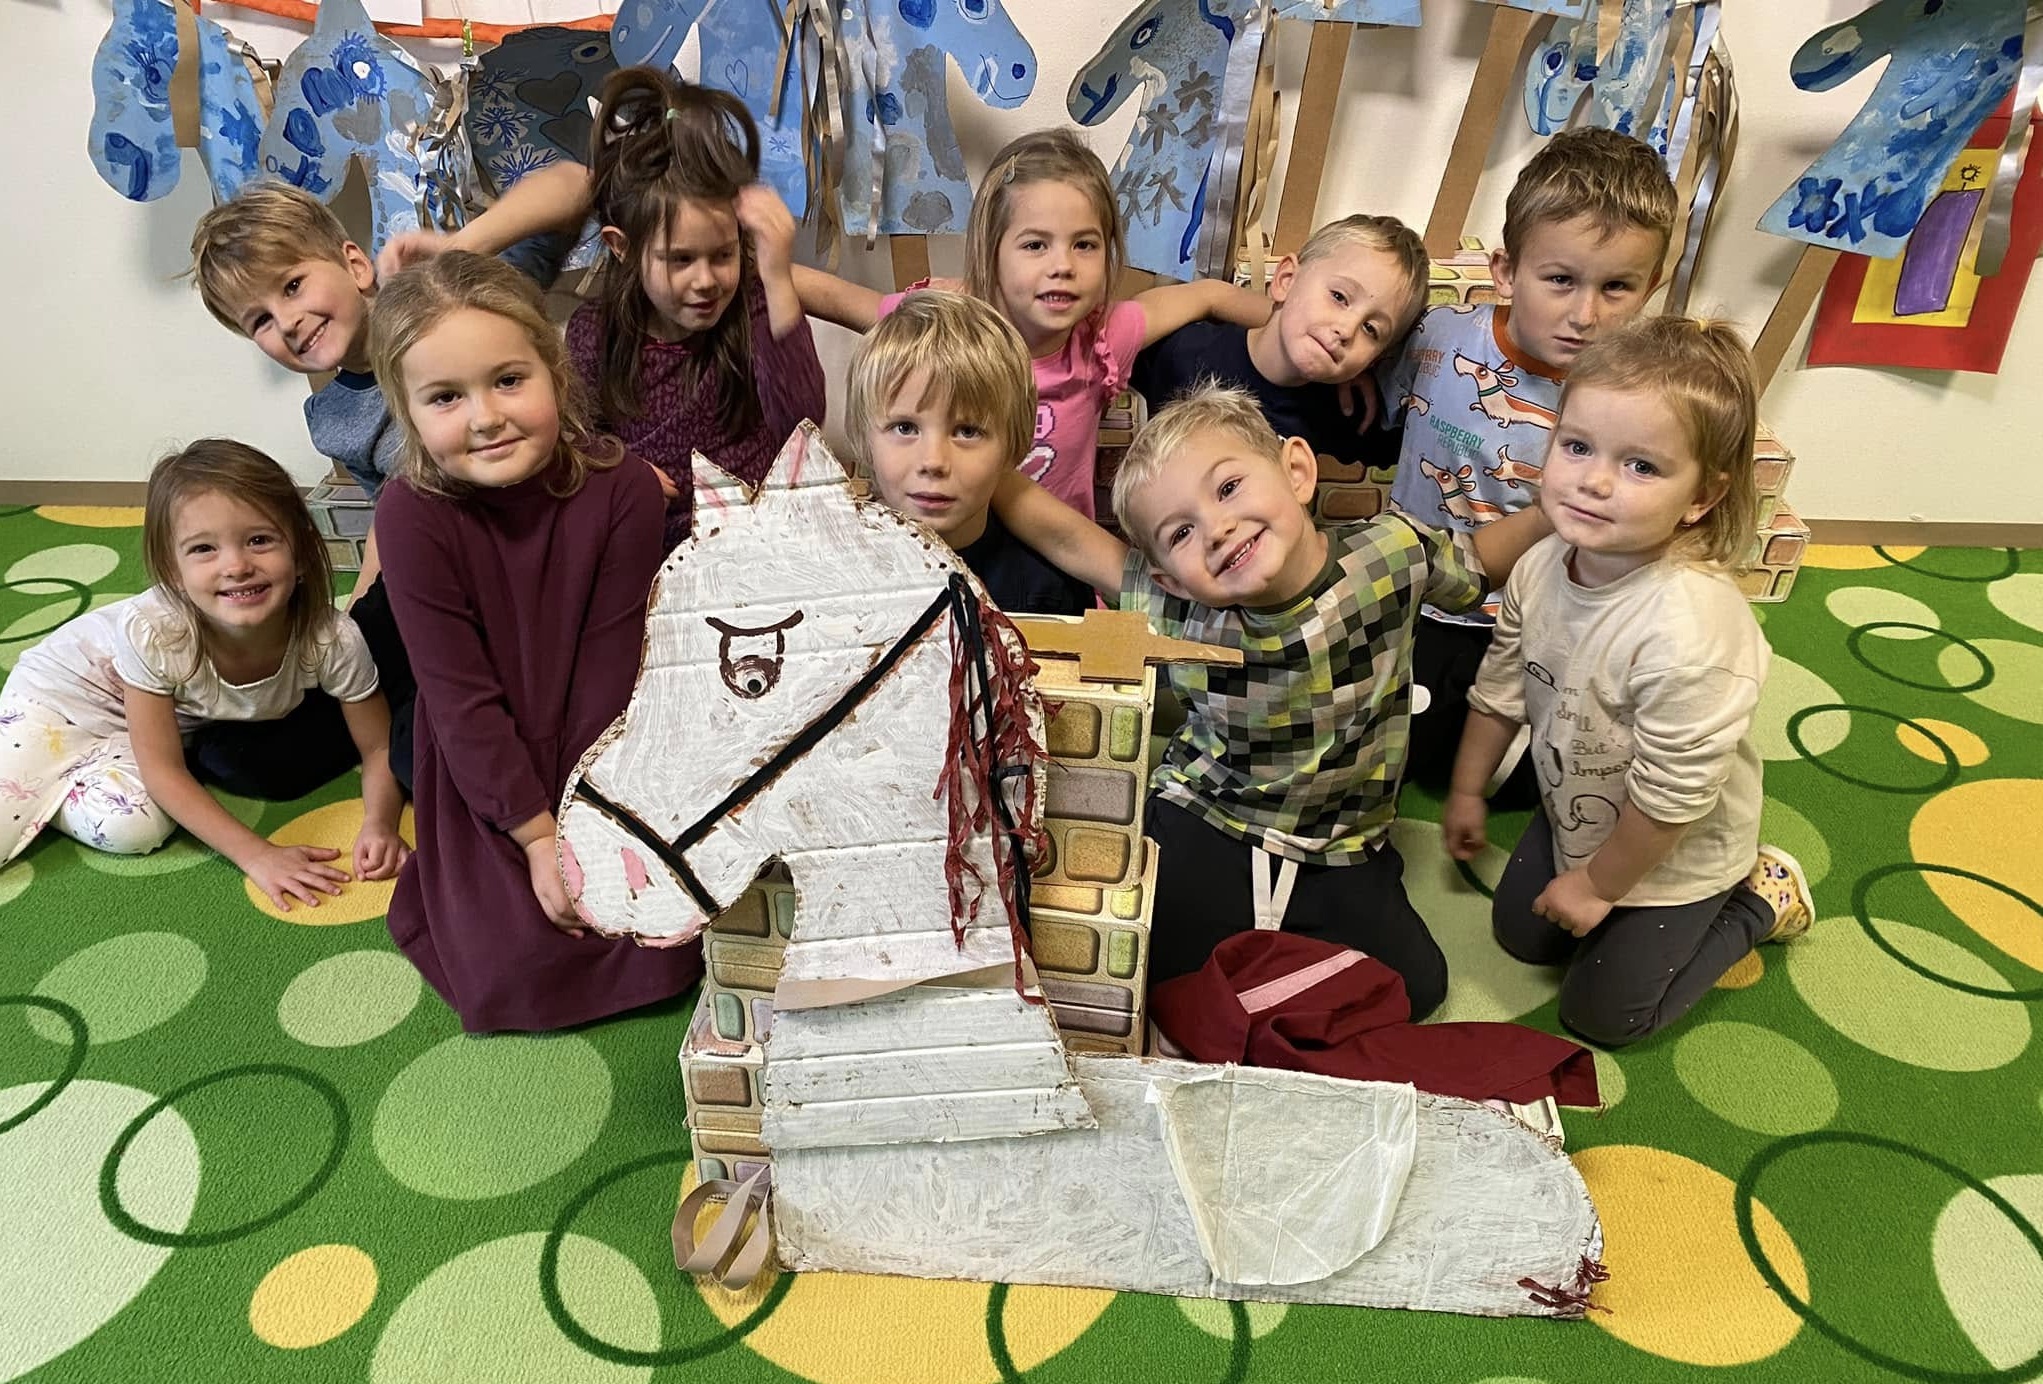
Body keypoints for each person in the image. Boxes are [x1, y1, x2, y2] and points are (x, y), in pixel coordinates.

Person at [994, 386, 1550, 1018]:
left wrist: (1549, 512)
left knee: (1416, 989)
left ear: (1297, 471)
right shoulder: (1178, 605)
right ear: (1171, 578)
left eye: (1228, 488)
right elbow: (1069, 540)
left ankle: (1272, 957)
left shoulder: (1392, 554)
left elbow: (1478, 562)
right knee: (1147, 975)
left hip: (1341, 839)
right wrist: (988, 470)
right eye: (1182, 532)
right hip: (1212, 813)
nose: (1217, 528)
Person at [1442, 317, 1814, 1048]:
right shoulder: (1540, 566)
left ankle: (1758, 900)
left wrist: (1595, 886)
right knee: (1520, 937)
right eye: (1577, 446)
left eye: (1642, 466)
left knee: (1603, 1018)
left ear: (1702, 496)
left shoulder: (1690, 632)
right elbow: (1500, 688)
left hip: (1678, 850)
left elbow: (1673, 797)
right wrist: (1465, 789)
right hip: (1579, 806)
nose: (1595, 480)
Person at [368, 250, 701, 1032]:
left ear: (554, 372)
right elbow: (459, 700)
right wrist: (537, 836)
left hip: (603, 749)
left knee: (667, 944)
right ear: (407, 410)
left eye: (508, 380)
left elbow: (613, 674)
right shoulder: (409, 515)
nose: (486, 417)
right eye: (446, 397)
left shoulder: (624, 489)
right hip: (484, 759)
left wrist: (590, 826)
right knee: (511, 966)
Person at [187, 180, 574, 792]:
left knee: (432, 755)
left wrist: (459, 247)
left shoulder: (456, 310)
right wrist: (356, 624)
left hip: (539, 559)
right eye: (259, 320)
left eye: (293, 286)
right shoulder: (335, 418)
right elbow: (388, 522)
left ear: (355, 263)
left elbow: (574, 185)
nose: (287, 322)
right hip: (436, 587)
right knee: (362, 732)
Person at [1377, 128, 1678, 793]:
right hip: (1413, 599)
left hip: (1531, 621)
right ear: (1507, 271)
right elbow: (1358, 392)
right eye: (1560, 280)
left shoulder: (1635, 400)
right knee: (1387, 735)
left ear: (1651, 286)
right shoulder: (1435, 338)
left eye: (1617, 287)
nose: (1585, 315)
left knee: (1569, 757)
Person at [0, 440, 406, 910]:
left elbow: (377, 746)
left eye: (259, 540)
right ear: (172, 572)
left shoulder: (332, 639)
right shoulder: (155, 631)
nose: (236, 566)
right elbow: (163, 769)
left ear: (300, 553)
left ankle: (53, 784)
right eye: (203, 549)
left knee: (136, 828)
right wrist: (257, 855)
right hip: (59, 700)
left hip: (134, 736)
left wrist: (380, 823)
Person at [789, 129, 1275, 518]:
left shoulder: (1105, 335)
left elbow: (1208, 295)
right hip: (944, 544)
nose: (1062, 265)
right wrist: (754, 265)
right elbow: (838, 299)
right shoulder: (948, 322)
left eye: (1084, 245)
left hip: (1056, 567)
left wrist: (1299, 324)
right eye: (1035, 245)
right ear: (992, 250)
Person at [567, 66, 826, 551]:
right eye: (680, 260)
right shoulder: (593, 334)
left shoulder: (752, 308)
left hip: (756, 542)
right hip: (647, 550)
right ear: (622, 247)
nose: (706, 281)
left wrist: (777, 278)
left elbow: (803, 424)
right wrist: (617, 470)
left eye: (723, 255)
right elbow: (573, 442)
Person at [843, 290, 1092, 616]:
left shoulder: (1052, 590)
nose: (933, 462)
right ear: (864, 438)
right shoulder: (831, 576)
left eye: (967, 432)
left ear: (1013, 444)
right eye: (905, 428)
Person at [1133, 212, 1428, 466]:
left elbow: (1431, 450)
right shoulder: (1184, 351)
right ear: (1286, 280)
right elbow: (1116, 333)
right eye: (1339, 297)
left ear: (1375, 359)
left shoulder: (1345, 409)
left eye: (1370, 329)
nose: (1347, 330)